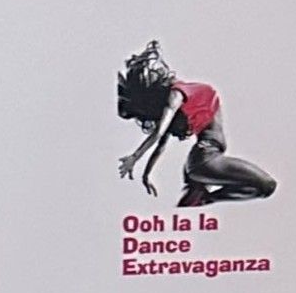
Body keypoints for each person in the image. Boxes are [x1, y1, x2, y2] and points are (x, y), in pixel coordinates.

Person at [116, 45, 276, 205]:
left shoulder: (181, 96)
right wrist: (135, 158)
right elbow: (158, 135)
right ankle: (204, 200)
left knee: (262, 187)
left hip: (202, 161)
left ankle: (201, 200)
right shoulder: (176, 95)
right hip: (205, 158)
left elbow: (160, 147)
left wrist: (146, 176)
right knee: (266, 185)